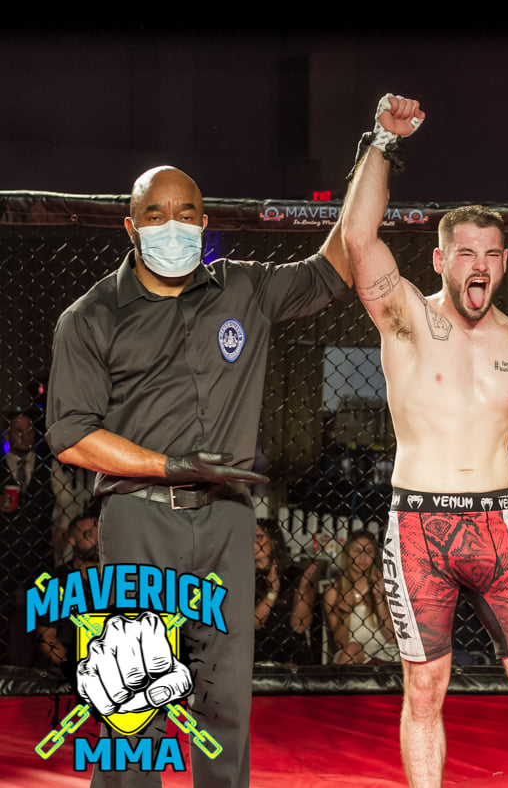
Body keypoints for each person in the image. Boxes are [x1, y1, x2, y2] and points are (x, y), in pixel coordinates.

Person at [45, 153, 353, 787]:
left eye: (185, 212)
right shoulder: (89, 316)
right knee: (133, 705)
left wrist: (377, 149)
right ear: (130, 228)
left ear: (204, 221)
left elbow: (340, 261)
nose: (171, 224)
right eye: (154, 214)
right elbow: (71, 436)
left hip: (225, 520)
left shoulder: (243, 288)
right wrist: (168, 464)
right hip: (138, 517)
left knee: (225, 699)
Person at [341, 95, 508, 788]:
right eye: (464, 251)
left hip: (498, 523)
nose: (478, 264)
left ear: (503, 263)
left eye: (490, 253)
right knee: (426, 686)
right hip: (418, 524)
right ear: (441, 257)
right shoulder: (408, 320)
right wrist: (382, 141)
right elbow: (358, 237)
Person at [1, 407, 60, 665]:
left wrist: (62, 532)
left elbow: (66, 501)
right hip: (4, 550)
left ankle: (40, 664)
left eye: (29, 431)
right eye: (18, 431)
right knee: (4, 608)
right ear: (8, 434)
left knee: (42, 609)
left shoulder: (50, 466)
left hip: (39, 549)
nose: (24, 437)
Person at [35, 507, 100, 678]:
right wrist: (73, 667)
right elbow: (46, 636)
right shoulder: (57, 582)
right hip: (70, 668)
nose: (98, 540)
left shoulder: (123, 578)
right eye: (89, 534)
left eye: (101, 533)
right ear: (72, 540)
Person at [323, 529, 399, 664]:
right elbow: (340, 643)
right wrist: (343, 611)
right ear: (347, 554)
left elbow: (391, 638)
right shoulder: (334, 591)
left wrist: (379, 599)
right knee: (350, 650)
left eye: (368, 551)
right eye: (357, 551)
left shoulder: (385, 586)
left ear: (375, 556)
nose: (363, 556)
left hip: (386, 653)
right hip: (354, 653)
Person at [253, 518, 318, 665]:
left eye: (259, 536)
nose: (252, 541)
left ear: (274, 541)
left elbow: (300, 626)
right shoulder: (244, 576)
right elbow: (254, 624)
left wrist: (302, 588)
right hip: (256, 650)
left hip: (291, 650)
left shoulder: (294, 575)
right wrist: (272, 593)